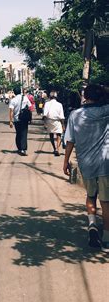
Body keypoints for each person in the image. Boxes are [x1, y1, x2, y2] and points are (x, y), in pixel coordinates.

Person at [63, 84, 109, 250]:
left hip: (86, 163)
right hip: (105, 163)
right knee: (105, 201)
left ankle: (92, 226)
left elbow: (70, 141)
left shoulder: (75, 115)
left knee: (91, 196)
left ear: (86, 96)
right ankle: (107, 239)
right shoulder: (106, 111)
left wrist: (65, 161)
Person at [8, 86, 31, 156]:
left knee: (18, 133)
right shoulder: (25, 98)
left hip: (16, 119)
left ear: (14, 93)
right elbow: (29, 107)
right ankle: (23, 149)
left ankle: (19, 148)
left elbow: (11, 111)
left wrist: (10, 121)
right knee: (24, 133)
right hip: (24, 118)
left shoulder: (13, 100)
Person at [43, 91, 65, 156]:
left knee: (51, 134)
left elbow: (45, 115)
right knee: (59, 134)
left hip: (49, 121)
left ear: (50, 97)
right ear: (56, 97)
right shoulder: (59, 104)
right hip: (57, 121)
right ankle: (57, 148)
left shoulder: (47, 104)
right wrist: (63, 125)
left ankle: (54, 148)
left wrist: (45, 123)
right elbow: (62, 116)